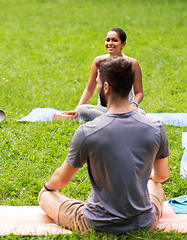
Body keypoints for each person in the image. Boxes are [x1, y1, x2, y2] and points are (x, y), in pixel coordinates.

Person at [38, 57, 169, 233]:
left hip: (97, 223)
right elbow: (161, 176)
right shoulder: (156, 128)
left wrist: (47, 187)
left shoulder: (88, 131)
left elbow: (62, 179)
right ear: (129, 86)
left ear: (106, 87)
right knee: (156, 185)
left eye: (98, 83)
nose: (98, 87)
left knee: (45, 196)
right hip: (143, 222)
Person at [63, 28, 145, 121]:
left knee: (142, 114)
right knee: (83, 109)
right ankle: (119, 121)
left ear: (123, 44)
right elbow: (89, 89)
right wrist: (77, 108)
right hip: (104, 109)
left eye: (115, 40)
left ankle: (109, 121)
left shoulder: (132, 63)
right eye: (107, 40)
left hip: (126, 109)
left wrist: (134, 105)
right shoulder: (98, 61)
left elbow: (139, 92)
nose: (110, 43)